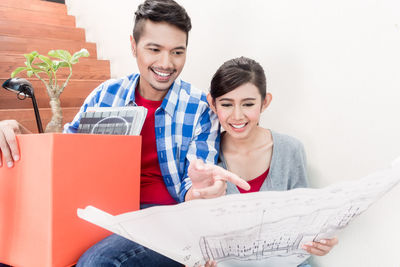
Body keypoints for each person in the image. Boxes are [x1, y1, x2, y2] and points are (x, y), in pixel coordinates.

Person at [0, 1, 248, 266]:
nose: (166, 63)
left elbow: (194, 185)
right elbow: (64, 152)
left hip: (165, 218)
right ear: (133, 46)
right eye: (154, 49)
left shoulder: (199, 108)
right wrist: (17, 132)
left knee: (98, 262)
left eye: (177, 52)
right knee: (14, 251)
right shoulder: (106, 94)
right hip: (101, 212)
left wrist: (199, 190)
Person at [189, 56, 338, 267]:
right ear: (212, 103)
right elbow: (196, 233)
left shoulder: (290, 150)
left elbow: (304, 219)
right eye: (226, 104)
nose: (237, 115)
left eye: (248, 104)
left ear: (265, 102)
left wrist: (321, 240)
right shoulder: (204, 158)